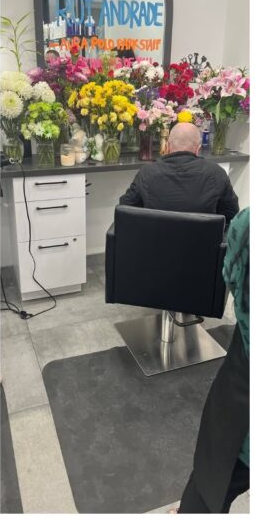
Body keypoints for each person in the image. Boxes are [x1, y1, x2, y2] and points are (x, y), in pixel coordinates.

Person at [177, 208, 249, 513]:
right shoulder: (216, 178)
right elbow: (228, 210)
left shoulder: (248, 229)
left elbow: (231, 276)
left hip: (243, 401)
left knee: (210, 482)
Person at [118, 122, 239, 225]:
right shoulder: (217, 173)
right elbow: (231, 213)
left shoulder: (147, 173)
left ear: (168, 146)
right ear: (198, 149)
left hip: (155, 248)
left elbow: (125, 209)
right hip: (204, 249)